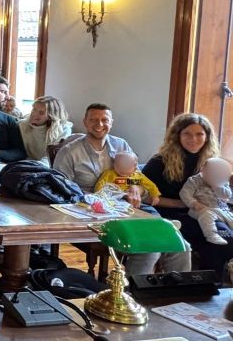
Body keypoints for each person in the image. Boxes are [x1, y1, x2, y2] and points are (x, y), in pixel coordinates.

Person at [56, 104, 191, 275]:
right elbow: (61, 188)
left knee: (181, 246)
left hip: (129, 208)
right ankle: (131, 290)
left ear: (111, 122)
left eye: (104, 120)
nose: (99, 124)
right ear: (85, 122)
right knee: (149, 248)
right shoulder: (70, 151)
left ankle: (177, 290)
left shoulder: (121, 144)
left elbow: (137, 175)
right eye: (93, 120)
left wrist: (135, 187)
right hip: (93, 212)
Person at [143, 113, 233, 276]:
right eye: (187, 134)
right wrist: (181, 203)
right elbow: (145, 197)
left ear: (207, 137)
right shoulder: (159, 161)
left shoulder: (212, 162)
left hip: (207, 212)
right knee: (213, 242)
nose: (194, 139)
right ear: (177, 135)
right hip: (171, 214)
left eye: (199, 134)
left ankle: (210, 284)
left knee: (226, 239)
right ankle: (202, 282)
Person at [180, 158, 233, 245]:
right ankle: (211, 235)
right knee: (207, 216)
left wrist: (217, 186)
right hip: (200, 209)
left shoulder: (222, 182)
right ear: (202, 170)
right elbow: (184, 193)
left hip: (219, 209)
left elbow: (227, 195)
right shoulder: (194, 180)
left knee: (230, 218)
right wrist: (193, 203)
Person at [19, 96, 72, 164]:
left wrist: (35, 166)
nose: (34, 114)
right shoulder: (22, 125)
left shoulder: (64, 129)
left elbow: (55, 156)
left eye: (41, 112)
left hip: (46, 166)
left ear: (51, 116)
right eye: (34, 109)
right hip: (24, 163)